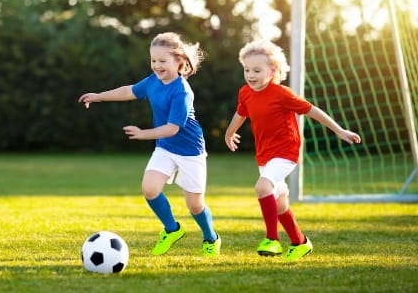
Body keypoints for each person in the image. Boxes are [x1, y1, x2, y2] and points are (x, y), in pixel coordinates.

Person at [78, 32, 221, 257]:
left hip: (190, 151)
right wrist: (98, 96)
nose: (156, 65)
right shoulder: (153, 81)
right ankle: (172, 229)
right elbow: (129, 91)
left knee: (194, 205)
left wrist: (144, 134)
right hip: (165, 147)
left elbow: (173, 128)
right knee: (150, 189)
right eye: (153, 60)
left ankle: (211, 237)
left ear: (179, 62)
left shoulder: (182, 91)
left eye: (162, 61)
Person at [224, 39, 361, 261]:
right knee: (278, 203)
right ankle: (300, 242)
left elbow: (312, 110)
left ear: (273, 70)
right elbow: (241, 113)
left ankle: (272, 240)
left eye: (257, 70)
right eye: (247, 69)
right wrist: (229, 133)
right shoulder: (245, 93)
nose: (250, 74)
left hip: (286, 151)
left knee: (262, 186)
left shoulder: (282, 94)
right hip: (264, 155)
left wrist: (339, 130)